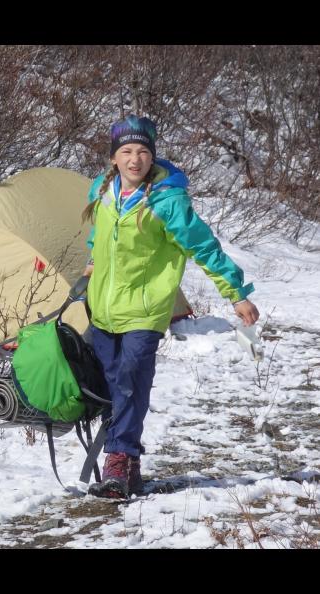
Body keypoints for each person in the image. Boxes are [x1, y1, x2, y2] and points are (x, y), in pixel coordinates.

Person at [81, 114, 259, 499]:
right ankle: (130, 469)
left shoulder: (167, 201)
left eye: (143, 151)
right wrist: (94, 260)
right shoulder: (102, 190)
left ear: (152, 157)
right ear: (114, 158)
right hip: (103, 308)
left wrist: (236, 293)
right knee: (116, 387)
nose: (134, 159)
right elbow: (99, 234)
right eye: (126, 151)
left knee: (130, 378)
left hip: (145, 309)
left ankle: (116, 462)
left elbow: (203, 246)